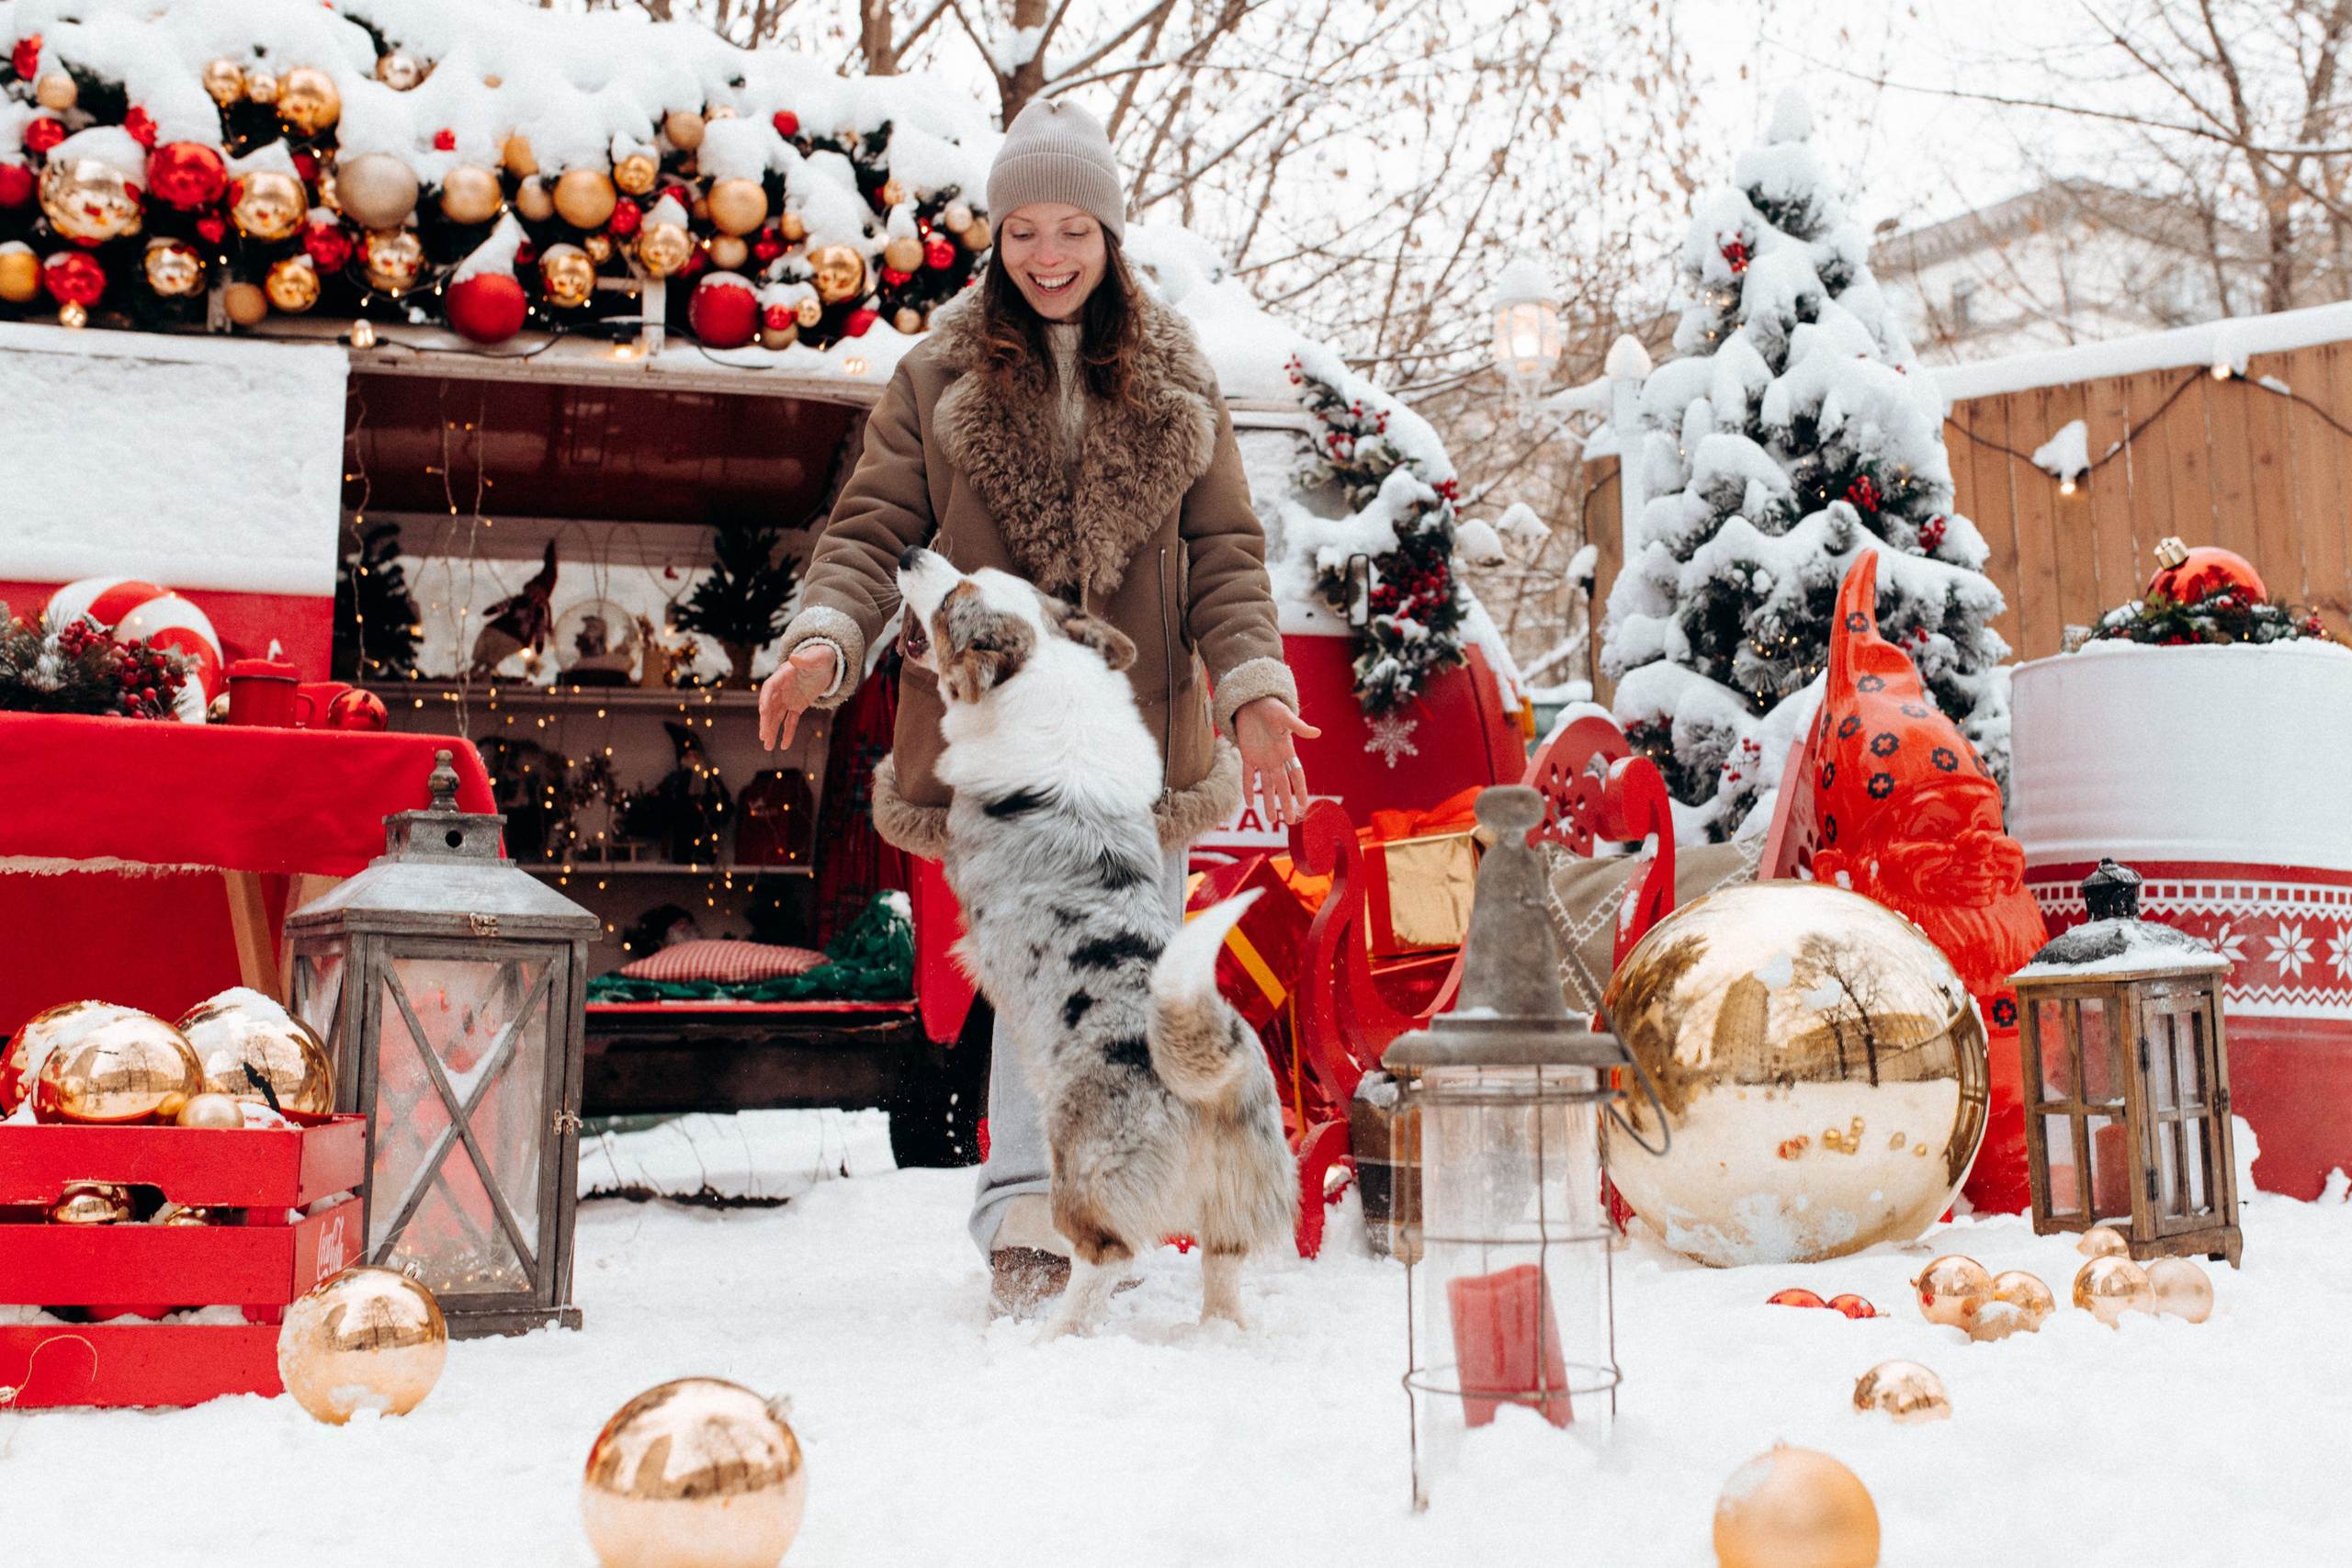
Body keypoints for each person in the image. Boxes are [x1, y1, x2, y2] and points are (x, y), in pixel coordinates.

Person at [757, 98, 1317, 1314]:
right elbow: (869, 534)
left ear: (1110, 236)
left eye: (1074, 228)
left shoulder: (1179, 382)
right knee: (1036, 977)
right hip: (1008, 747)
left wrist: (1259, 687)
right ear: (998, 238)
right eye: (1025, 232)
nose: (1049, 255)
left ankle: (1155, 1200)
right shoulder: (935, 375)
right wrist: (822, 635)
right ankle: (1028, 1214)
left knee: (1145, 981)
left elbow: (1225, 550)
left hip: (1141, 740)